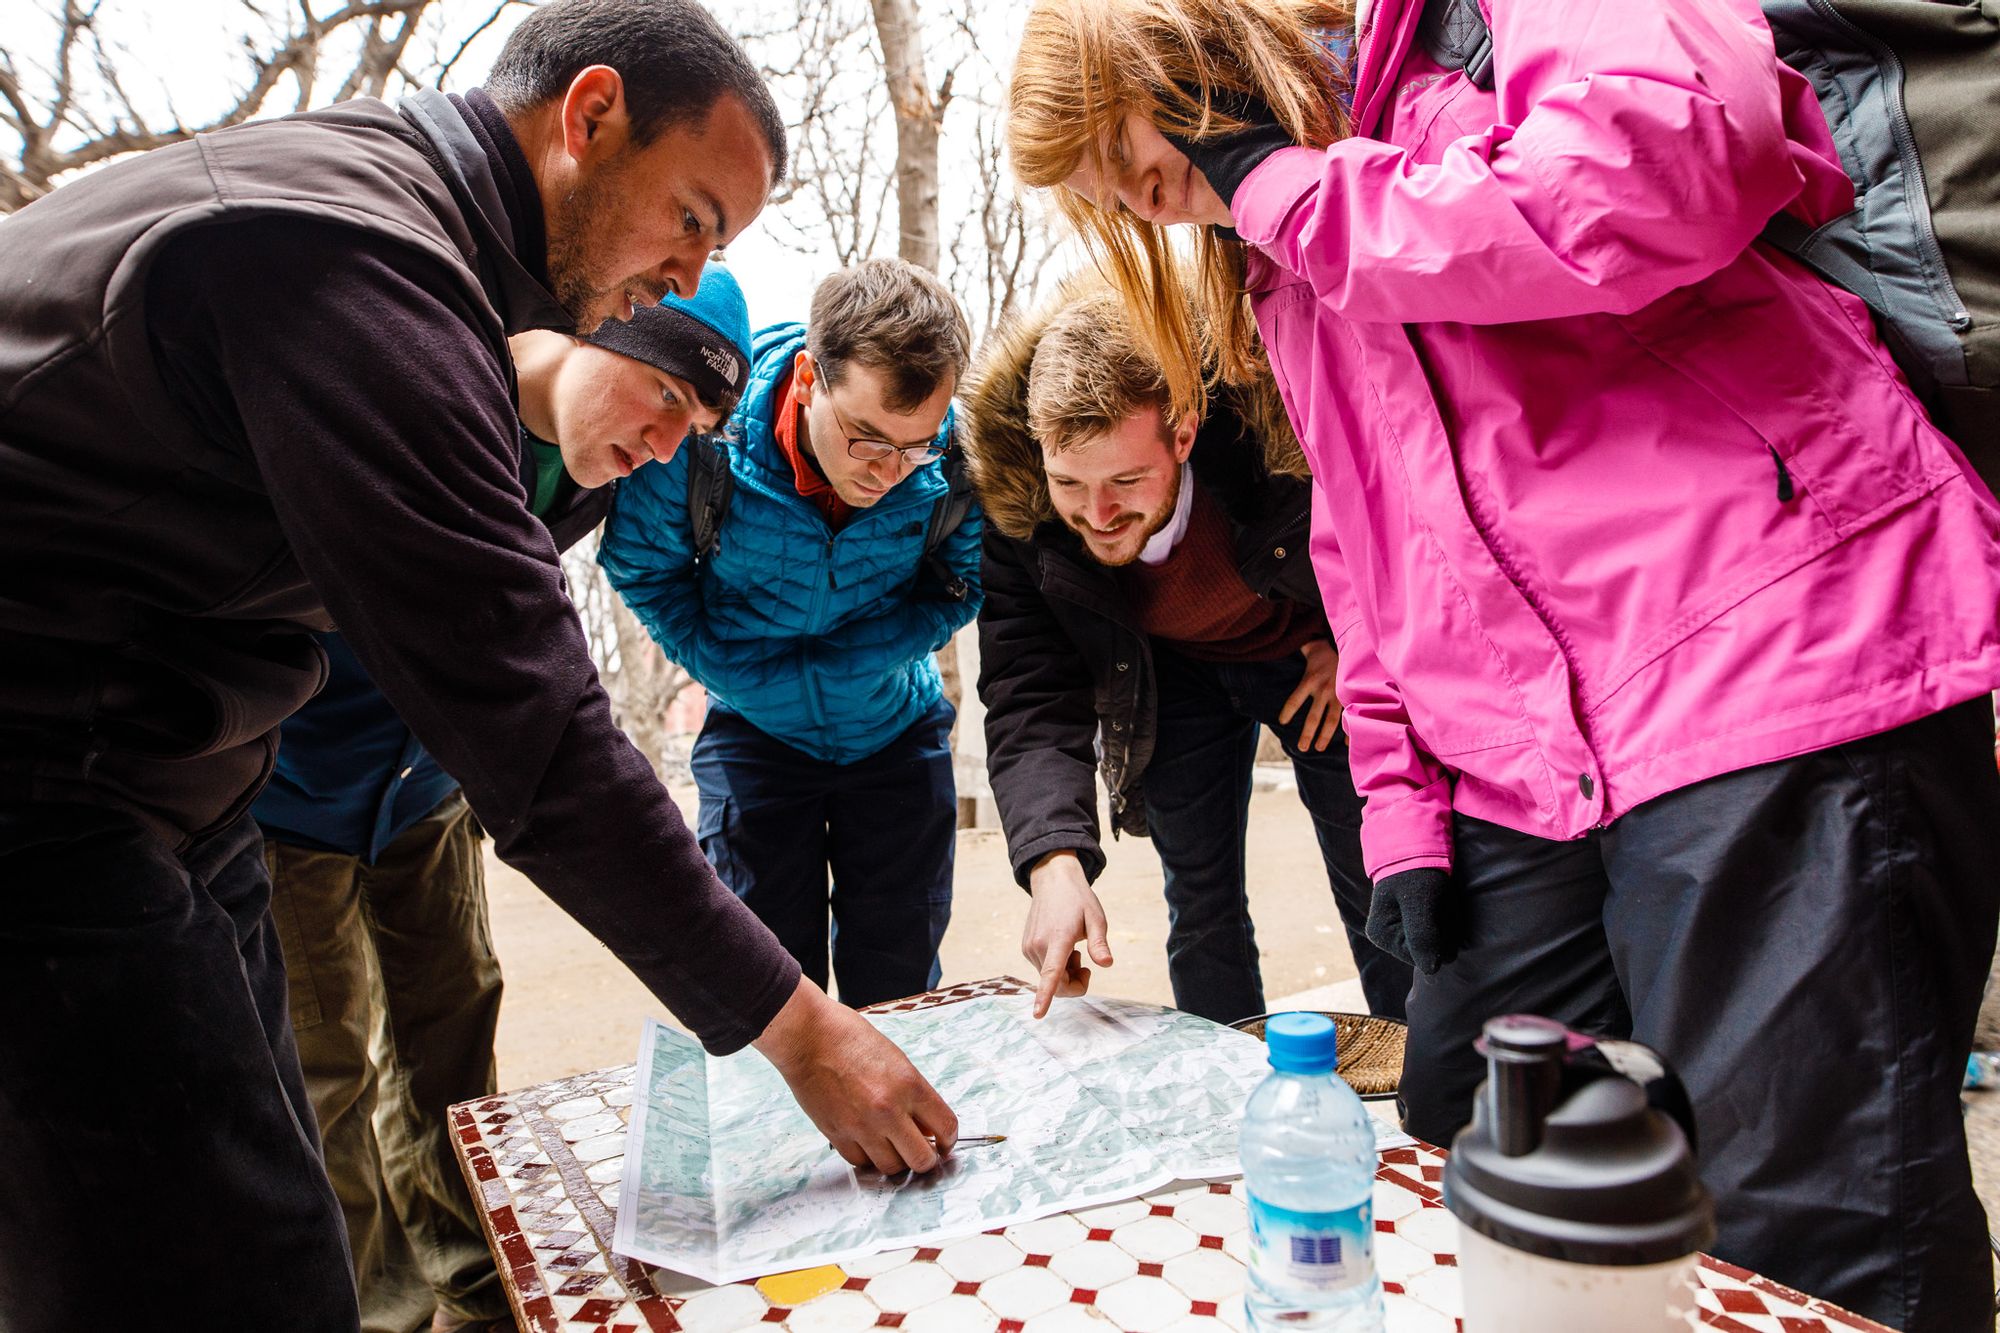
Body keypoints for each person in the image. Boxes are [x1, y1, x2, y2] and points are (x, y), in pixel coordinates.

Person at [1004, 0, 2000, 1329]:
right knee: (1474, 1128)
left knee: (1803, 1214)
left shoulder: (1447, 53)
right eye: (1109, 197)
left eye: (1117, 149)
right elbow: (1369, 549)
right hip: (1526, 763)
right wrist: (1404, 807)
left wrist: (1298, 195)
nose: (1142, 199)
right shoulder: (1276, 258)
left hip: (1771, 650)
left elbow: (1678, 152)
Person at [0, 4, 955, 1330]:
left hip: (176, 772)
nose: (686, 277)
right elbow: (541, 739)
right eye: (688, 218)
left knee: (282, 1209)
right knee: (212, 1268)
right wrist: (800, 1027)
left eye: (717, 250)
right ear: (588, 116)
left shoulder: (416, 241)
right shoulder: (358, 266)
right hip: (43, 774)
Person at [253, 264, 745, 1333]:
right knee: (327, 1065)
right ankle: (380, 1310)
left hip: (425, 784)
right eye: (662, 396)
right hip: (289, 789)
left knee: (452, 1029)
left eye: (692, 423)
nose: (665, 439)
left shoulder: (597, 467)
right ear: (605, 319)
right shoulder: (421, 393)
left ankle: (474, 1288)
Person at [964, 281, 1411, 1026]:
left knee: (1374, 874)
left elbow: (1392, 523)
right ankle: (1232, 1083)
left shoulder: (1277, 421)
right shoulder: (1022, 509)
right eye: (1070, 481)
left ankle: (1416, 1066)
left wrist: (1351, 641)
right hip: (1168, 674)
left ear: (1183, 433)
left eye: (1126, 480)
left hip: (1307, 657)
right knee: (1199, 900)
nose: (1097, 517)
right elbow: (1029, 689)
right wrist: (1053, 861)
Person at [599, 258, 979, 1009]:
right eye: (867, 438)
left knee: (901, 993)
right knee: (767, 996)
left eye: (915, 447)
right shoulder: (702, 438)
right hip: (754, 741)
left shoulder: (957, 455)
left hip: (894, 736)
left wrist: (863, 657)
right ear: (808, 378)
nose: (888, 473)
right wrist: (737, 673)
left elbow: (965, 579)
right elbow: (644, 570)